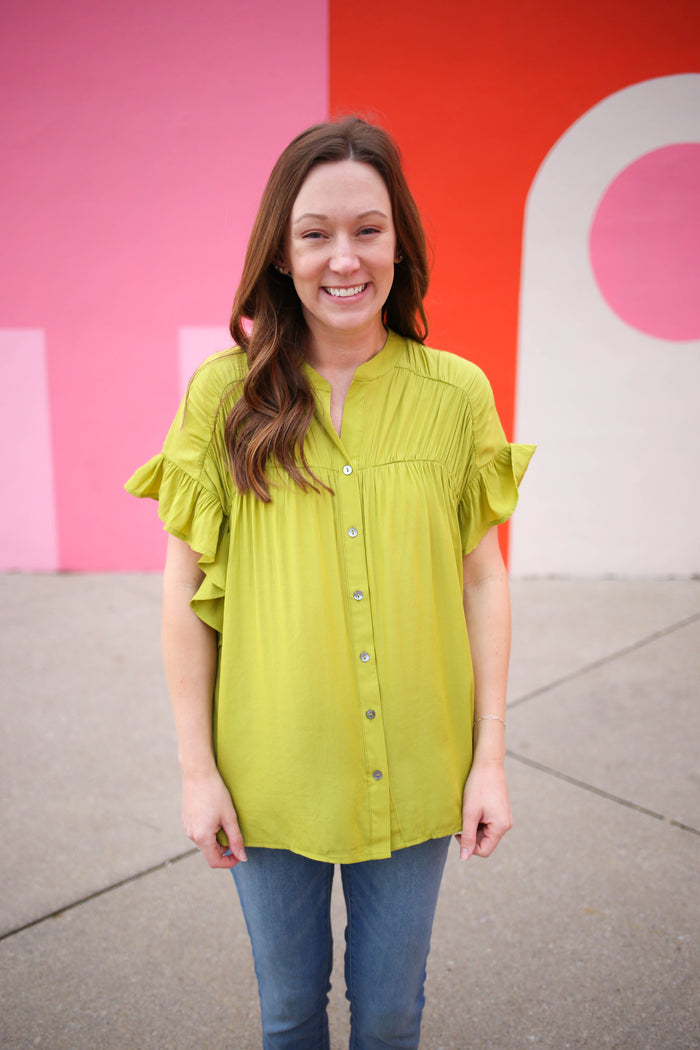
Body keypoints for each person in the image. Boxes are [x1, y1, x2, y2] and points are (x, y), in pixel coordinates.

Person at [126, 115, 535, 1050]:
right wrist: (199, 776)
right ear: (280, 249)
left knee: (392, 1016)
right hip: (268, 776)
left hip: (420, 767)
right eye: (315, 232)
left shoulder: (456, 394)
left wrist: (490, 759)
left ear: (401, 243)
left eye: (368, 229)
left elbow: (482, 580)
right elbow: (184, 596)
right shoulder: (222, 396)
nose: (343, 259)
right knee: (288, 1013)